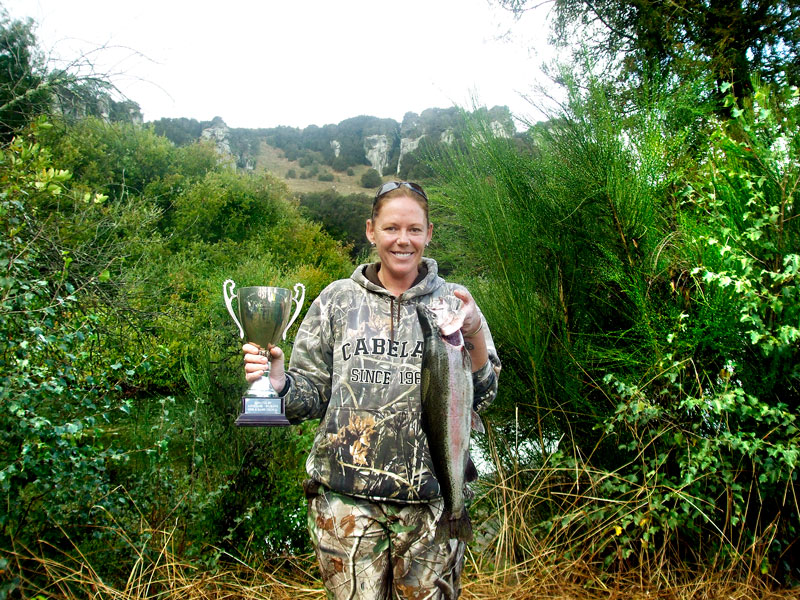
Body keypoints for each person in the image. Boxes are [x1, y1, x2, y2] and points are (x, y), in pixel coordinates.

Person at [242, 181, 500, 600]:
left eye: (414, 229)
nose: (403, 240)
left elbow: (484, 395)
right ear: (371, 231)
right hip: (345, 510)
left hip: (431, 510)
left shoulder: (457, 304)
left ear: (429, 234)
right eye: (392, 228)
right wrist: (277, 386)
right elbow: (309, 396)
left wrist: (472, 334)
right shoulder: (335, 301)